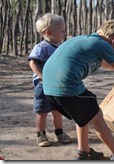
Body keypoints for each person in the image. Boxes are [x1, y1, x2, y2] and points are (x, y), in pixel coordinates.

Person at [42, 19, 114, 160]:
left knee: (84, 115)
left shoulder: (86, 40)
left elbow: (106, 64)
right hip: (66, 86)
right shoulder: (102, 45)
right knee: (96, 115)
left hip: (49, 88)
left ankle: (83, 152)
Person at [28, 13, 73, 147]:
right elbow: (33, 63)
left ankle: (59, 133)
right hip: (43, 86)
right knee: (42, 112)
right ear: (48, 32)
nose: (64, 33)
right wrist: (43, 77)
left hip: (57, 86)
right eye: (61, 31)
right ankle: (41, 135)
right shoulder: (41, 47)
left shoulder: (60, 47)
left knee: (57, 110)